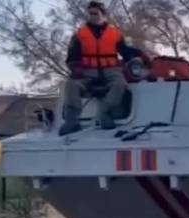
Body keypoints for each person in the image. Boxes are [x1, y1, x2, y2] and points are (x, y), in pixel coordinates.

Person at [60, 1, 148, 135]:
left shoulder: (115, 34)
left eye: (95, 13)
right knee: (71, 84)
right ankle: (72, 121)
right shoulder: (80, 34)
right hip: (87, 72)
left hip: (111, 71)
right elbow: (72, 55)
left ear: (103, 14)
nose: (93, 16)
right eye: (90, 13)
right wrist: (76, 68)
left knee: (120, 83)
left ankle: (105, 112)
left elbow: (124, 51)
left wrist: (140, 54)